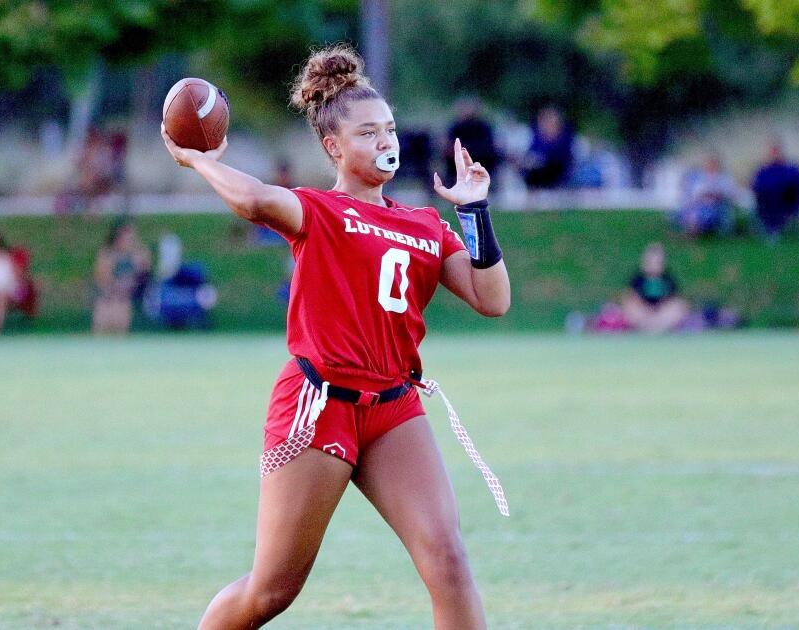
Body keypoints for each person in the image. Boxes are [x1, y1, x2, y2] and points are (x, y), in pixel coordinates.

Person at [161, 45, 510, 629]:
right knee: (272, 592)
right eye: (368, 132)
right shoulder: (319, 211)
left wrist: (475, 211)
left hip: (394, 408)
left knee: (448, 561)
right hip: (319, 404)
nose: (384, 140)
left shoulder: (423, 224)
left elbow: (492, 299)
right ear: (334, 147)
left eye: (389, 129)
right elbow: (251, 199)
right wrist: (199, 160)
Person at [92, 222, 151, 335]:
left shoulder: (136, 255)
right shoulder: (107, 254)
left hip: (123, 301)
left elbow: (144, 272)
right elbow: (101, 276)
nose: (129, 241)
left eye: (132, 238)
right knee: (101, 334)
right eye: (126, 237)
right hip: (107, 301)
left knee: (120, 335)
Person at [621, 242, 691, 333]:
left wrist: (659, 309)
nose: (654, 265)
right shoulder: (638, 278)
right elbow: (631, 296)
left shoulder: (668, 278)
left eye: (657, 262)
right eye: (651, 262)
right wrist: (646, 309)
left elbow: (673, 298)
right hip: (643, 312)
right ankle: (646, 327)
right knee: (629, 306)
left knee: (679, 306)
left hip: (662, 312)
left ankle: (658, 327)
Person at [751, 140, 799, 239]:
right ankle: (772, 228)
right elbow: (756, 185)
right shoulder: (763, 170)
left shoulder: (791, 169)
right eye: (772, 151)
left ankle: (774, 228)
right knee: (766, 199)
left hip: (787, 201)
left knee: (776, 199)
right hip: (767, 201)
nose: (774, 154)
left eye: (776, 151)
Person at [674, 153, 739, 237]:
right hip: (700, 204)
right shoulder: (699, 178)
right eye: (709, 164)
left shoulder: (724, 179)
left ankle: (694, 230)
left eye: (713, 164)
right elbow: (693, 193)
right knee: (692, 212)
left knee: (707, 214)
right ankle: (692, 229)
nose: (711, 166)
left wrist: (716, 195)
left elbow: (730, 193)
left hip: (716, 206)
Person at [444, 97, 500, 190]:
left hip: (481, 157)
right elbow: (449, 143)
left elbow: (489, 144)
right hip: (460, 158)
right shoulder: (456, 126)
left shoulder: (483, 126)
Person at [520, 106, 574, 190]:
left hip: (558, 174)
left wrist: (541, 159)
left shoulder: (564, 137)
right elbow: (532, 153)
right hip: (537, 173)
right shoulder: (537, 137)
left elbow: (561, 158)